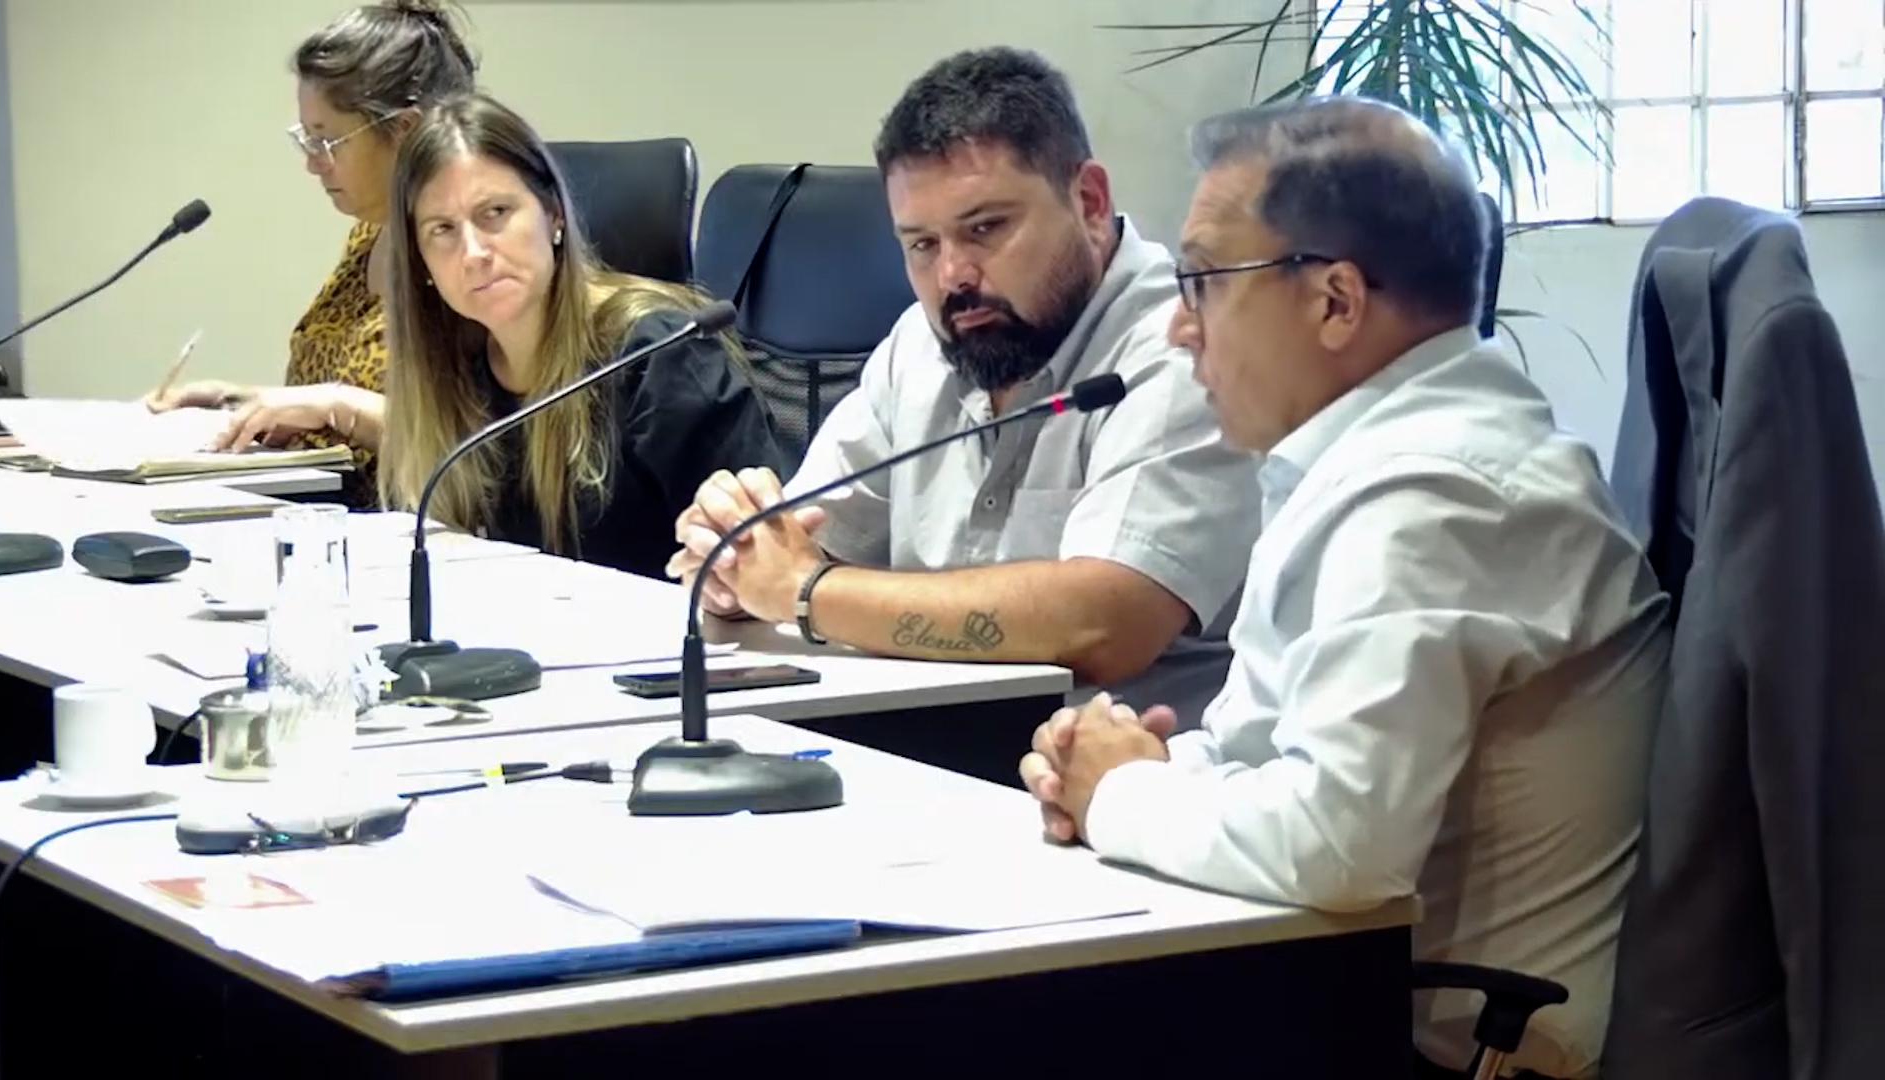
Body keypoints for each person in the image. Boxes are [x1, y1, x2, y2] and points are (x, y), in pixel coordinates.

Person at [1019, 97, 1670, 1079]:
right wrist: (1128, 767)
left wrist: (1119, 793)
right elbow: (1274, 754)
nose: (1180, 328)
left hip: (1431, 1050)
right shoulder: (1390, 459)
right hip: (1340, 995)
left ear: (1335, 301)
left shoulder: (1437, 495)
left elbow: (1337, 844)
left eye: (1202, 282)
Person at [666, 47, 1258, 723]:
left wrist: (805, 591)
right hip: (924, 743)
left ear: (1090, 202)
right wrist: (737, 559)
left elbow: (1107, 622)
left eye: (985, 229)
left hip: (1126, 767)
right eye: (922, 244)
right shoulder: (925, 344)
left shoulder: (1185, 350)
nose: (953, 276)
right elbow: (805, 540)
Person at [374, 91, 790, 579]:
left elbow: (762, 557)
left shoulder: (660, 355)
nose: (473, 253)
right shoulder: (452, 375)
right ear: (420, 261)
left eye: (495, 213)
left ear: (554, 215)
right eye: (442, 229)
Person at [143, 0, 477, 507]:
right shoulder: (370, 234)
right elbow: (327, 399)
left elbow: (474, 445)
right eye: (306, 139)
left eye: (327, 141)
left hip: (406, 530)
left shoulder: (472, 257)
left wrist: (336, 405)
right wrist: (235, 402)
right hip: (314, 513)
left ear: (404, 131)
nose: (313, 164)